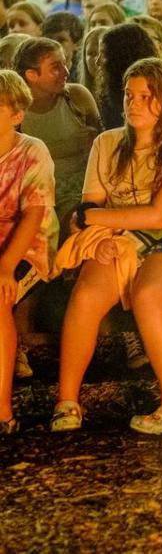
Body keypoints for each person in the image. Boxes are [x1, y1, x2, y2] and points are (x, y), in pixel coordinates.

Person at [52, 58, 162, 434]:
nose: (133, 103)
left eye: (145, 96)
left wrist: (95, 221)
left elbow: (158, 215)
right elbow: (90, 204)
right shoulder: (107, 144)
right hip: (119, 238)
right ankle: (67, 401)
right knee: (87, 293)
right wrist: (97, 233)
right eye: (128, 95)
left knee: (149, 292)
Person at [0, 70, 58, 434]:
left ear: (17, 114)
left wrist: (6, 265)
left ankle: (3, 411)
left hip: (26, 246)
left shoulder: (31, 150)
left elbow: (34, 213)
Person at [13, 37, 100, 231]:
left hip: (82, 190)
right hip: (35, 193)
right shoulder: (14, 112)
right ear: (32, 75)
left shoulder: (77, 98)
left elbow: (102, 143)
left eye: (65, 63)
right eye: (55, 67)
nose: (66, 72)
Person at [98, 23, 158, 130]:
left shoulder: (158, 91)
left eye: (103, 54)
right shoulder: (109, 91)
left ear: (119, 56)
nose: (97, 62)